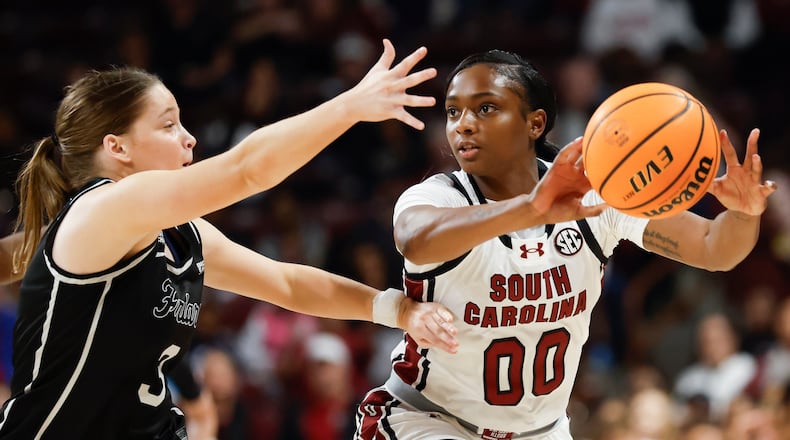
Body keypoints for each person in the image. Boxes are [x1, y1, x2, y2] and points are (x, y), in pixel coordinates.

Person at [0, 39, 460, 439]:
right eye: (168, 125)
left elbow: (286, 284)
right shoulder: (104, 207)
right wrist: (350, 106)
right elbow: (247, 169)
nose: (190, 139)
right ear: (116, 147)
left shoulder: (178, 231)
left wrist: (396, 308)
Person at [355, 50, 776, 440]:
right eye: (453, 111)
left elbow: (714, 248)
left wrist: (743, 213)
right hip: (427, 419)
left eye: (486, 108)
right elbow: (415, 240)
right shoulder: (437, 197)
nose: (463, 123)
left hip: (542, 429)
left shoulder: (599, 199)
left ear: (535, 123)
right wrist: (532, 209)